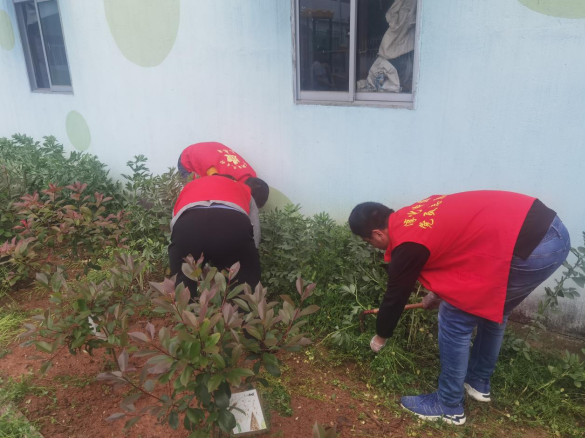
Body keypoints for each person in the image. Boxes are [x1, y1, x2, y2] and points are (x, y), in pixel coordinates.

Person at [348, 191, 570, 425]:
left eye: (369, 242)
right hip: (548, 228)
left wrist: (380, 337)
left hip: (532, 245)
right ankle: (477, 381)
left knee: (454, 318)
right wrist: (436, 294)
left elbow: (395, 297)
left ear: (377, 233)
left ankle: (448, 405)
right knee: (492, 307)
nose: (373, 246)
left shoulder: (407, 245)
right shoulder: (413, 216)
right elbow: (459, 250)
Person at [168, 174, 268, 296]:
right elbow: (255, 231)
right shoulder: (242, 188)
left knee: (183, 284)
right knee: (244, 283)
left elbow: (175, 222)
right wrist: (249, 258)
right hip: (232, 225)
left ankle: (185, 306)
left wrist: (179, 249)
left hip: (187, 226)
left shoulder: (190, 186)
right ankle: (243, 306)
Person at [177, 142, 257, 182]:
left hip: (210, 150)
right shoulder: (217, 175)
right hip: (188, 157)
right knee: (195, 189)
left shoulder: (252, 174)